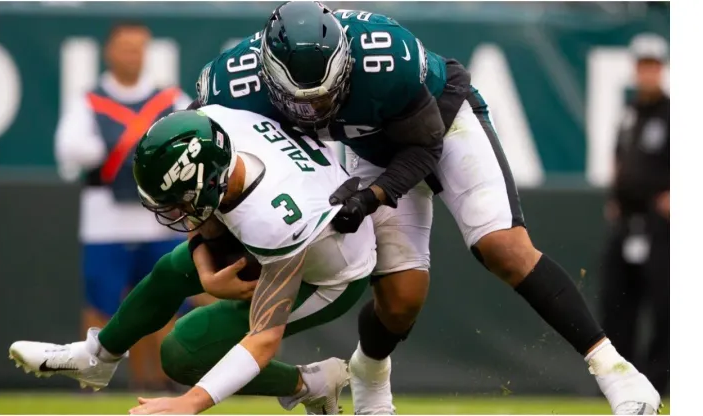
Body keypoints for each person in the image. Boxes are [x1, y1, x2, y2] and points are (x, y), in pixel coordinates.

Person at [190, 2, 661, 414]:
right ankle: (369, 377)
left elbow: (424, 145)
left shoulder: (384, 54)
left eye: (325, 96)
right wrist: (201, 250)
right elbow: (197, 171)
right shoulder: (231, 87)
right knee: (400, 300)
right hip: (366, 150)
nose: (315, 113)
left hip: (442, 121)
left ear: (344, 63)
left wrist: (372, 197)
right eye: (302, 102)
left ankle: (616, 371)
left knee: (502, 246)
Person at [10, 105, 378, 415]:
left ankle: (310, 382)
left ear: (205, 184)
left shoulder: (273, 220)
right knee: (174, 267)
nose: (177, 213)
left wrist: (190, 402)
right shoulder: (217, 124)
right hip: (280, 220)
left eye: (179, 202)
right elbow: (204, 205)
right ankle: (98, 357)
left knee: (182, 351)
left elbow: (263, 339)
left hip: (330, 274)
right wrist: (204, 271)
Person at [54, 21, 198, 391]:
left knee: (166, 299)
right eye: (125, 48)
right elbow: (69, 148)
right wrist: (115, 148)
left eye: (139, 49)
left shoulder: (169, 100)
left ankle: (163, 378)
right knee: (102, 300)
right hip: (105, 220)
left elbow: (195, 136)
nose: (132, 56)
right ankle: (93, 378)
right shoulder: (89, 100)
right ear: (110, 52)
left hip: (159, 220)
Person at [600, 33, 669, 396]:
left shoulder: (674, 113)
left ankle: (660, 380)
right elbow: (620, 158)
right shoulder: (630, 113)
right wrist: (615, 195)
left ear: (663, 69)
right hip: (626, 221)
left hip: (662, 224)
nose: (647, 74)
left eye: (653, 66)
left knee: (664, 305)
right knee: (617, 303)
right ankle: (620, 379)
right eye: (642, 66)